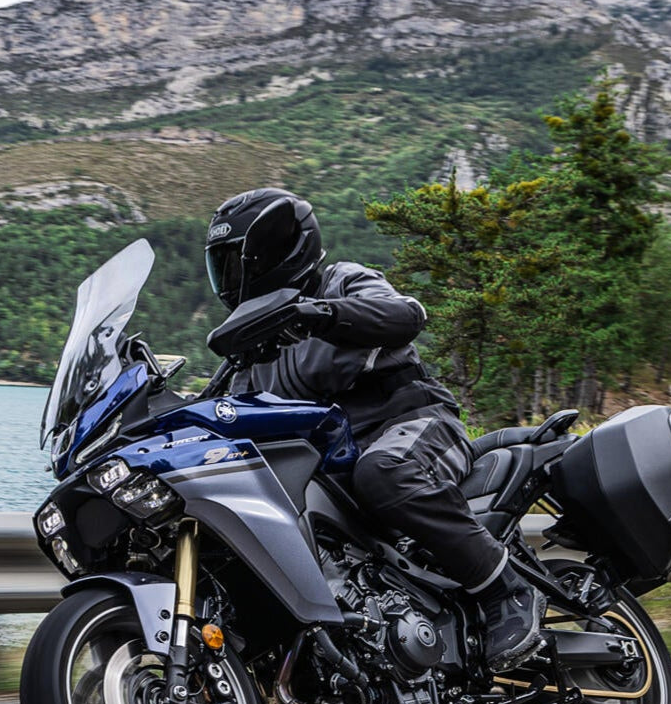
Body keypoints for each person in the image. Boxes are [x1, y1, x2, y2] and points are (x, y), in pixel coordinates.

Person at [204, 187, 545, 671]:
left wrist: (319, 315)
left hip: (415, 424)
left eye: (234, 263)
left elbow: (407, 315)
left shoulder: (338, 282)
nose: (229, 279)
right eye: (220, 265)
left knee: (383, 471)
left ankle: (505, 589)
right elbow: (221, 413)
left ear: (272, 253)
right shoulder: (252, 352)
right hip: (337, 464)